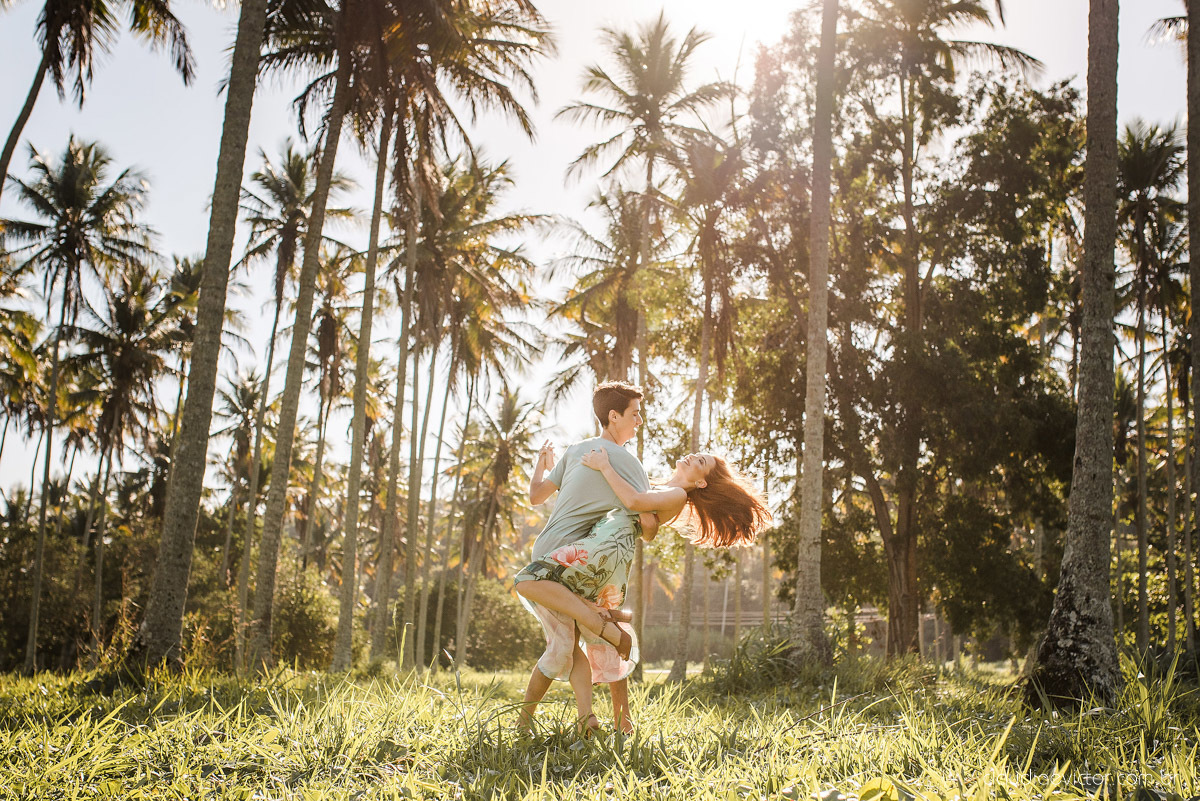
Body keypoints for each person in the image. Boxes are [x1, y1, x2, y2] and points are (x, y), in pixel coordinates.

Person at [513, 381, 658, 736]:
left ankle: (577, 720)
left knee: (566, 643)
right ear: (614, 416)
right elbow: (648, 524)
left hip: (546, 551)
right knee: (588, 637)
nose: (640, 421)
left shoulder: (576, 449)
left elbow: (536, 495)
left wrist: (541, 464)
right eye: (635, 413)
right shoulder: (628, 462)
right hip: (579, 558)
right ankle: (612, 721)